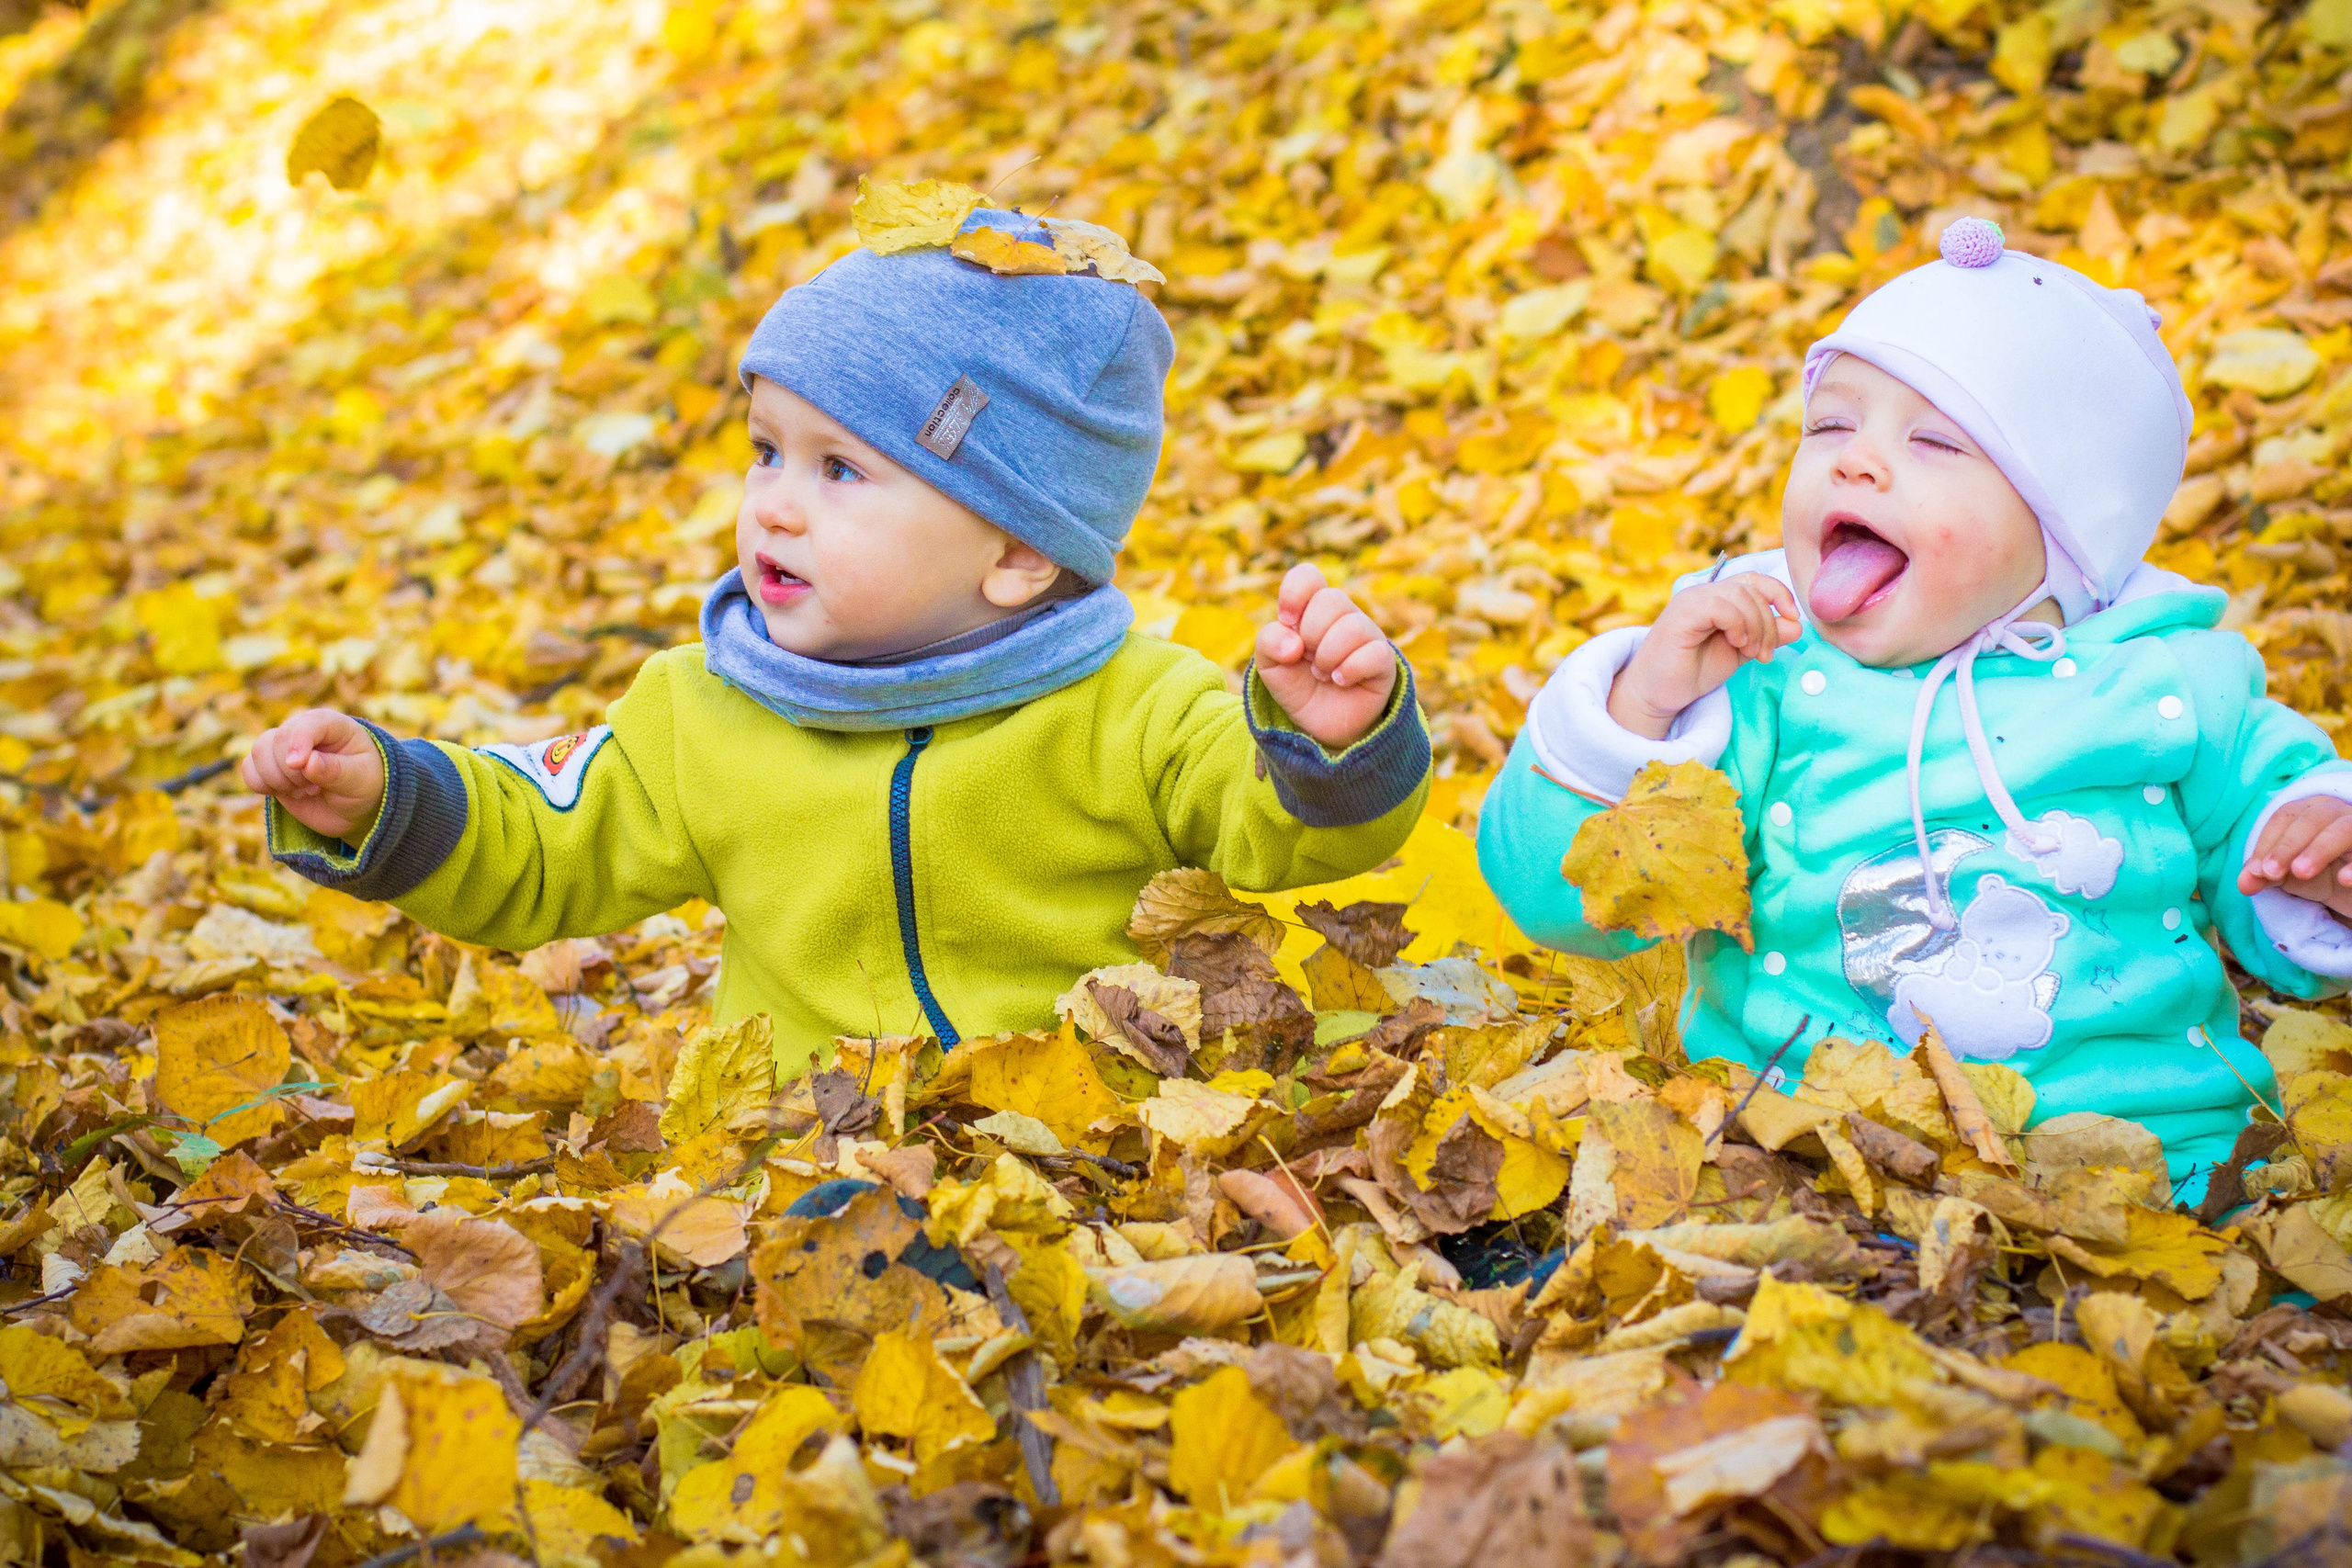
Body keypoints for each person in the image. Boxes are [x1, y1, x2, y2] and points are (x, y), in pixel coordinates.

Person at [243, 208, 1431, 1078]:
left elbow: (1272, 828)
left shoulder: (1135, 710)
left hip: (1099, 1122)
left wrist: (1327, 749)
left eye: (841, 468)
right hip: (808, 1147)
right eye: (765, 449)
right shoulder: (700, 712)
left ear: (1017, 551)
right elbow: (546, 838)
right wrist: (389, 799)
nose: (773, 502)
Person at [1477, 217, 2352, 1190]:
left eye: (1935, 440)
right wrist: (1640, 708)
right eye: (1830, 425)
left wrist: (2309, 858)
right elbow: (1559, 901)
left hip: (2148, 1150)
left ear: (2064, 537)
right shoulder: (1756, 671)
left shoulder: (2168, 680)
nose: (1855, 462)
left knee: (2250, 1302)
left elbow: (2263, 840)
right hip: (1808, 1142)